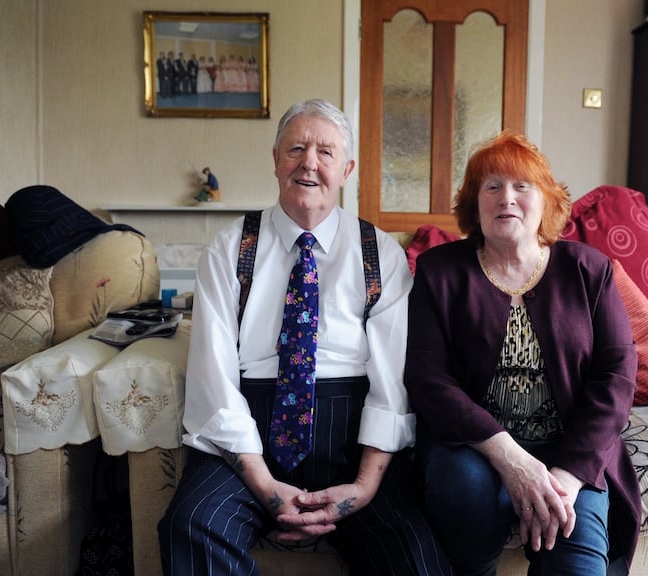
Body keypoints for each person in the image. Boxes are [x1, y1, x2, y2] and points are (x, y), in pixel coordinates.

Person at [159, 99, 452, 576]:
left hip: (355, 440)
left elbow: (394, 379)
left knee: (417, 556)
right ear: (275, 159)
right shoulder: (231, 248)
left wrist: (364, 486)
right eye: (296, 148)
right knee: (192, 525)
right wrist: (266, 487)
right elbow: (213, 374)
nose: (309, 163)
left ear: (347, 169)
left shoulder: (380, 253)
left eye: (326, 152)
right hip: (250, 435)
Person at [405, 131, 642, 576]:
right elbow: (427, 378)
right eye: (491, 186)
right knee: (464, 491)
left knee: (580, 565)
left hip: (569, 448)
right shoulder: (440, 272)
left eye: (521, 186)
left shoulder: (589, 270)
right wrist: (510, 457)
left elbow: (617, 376)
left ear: (547, 201)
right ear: (474, 204)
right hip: (473, 446)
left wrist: (569, 476)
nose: (506, 198)